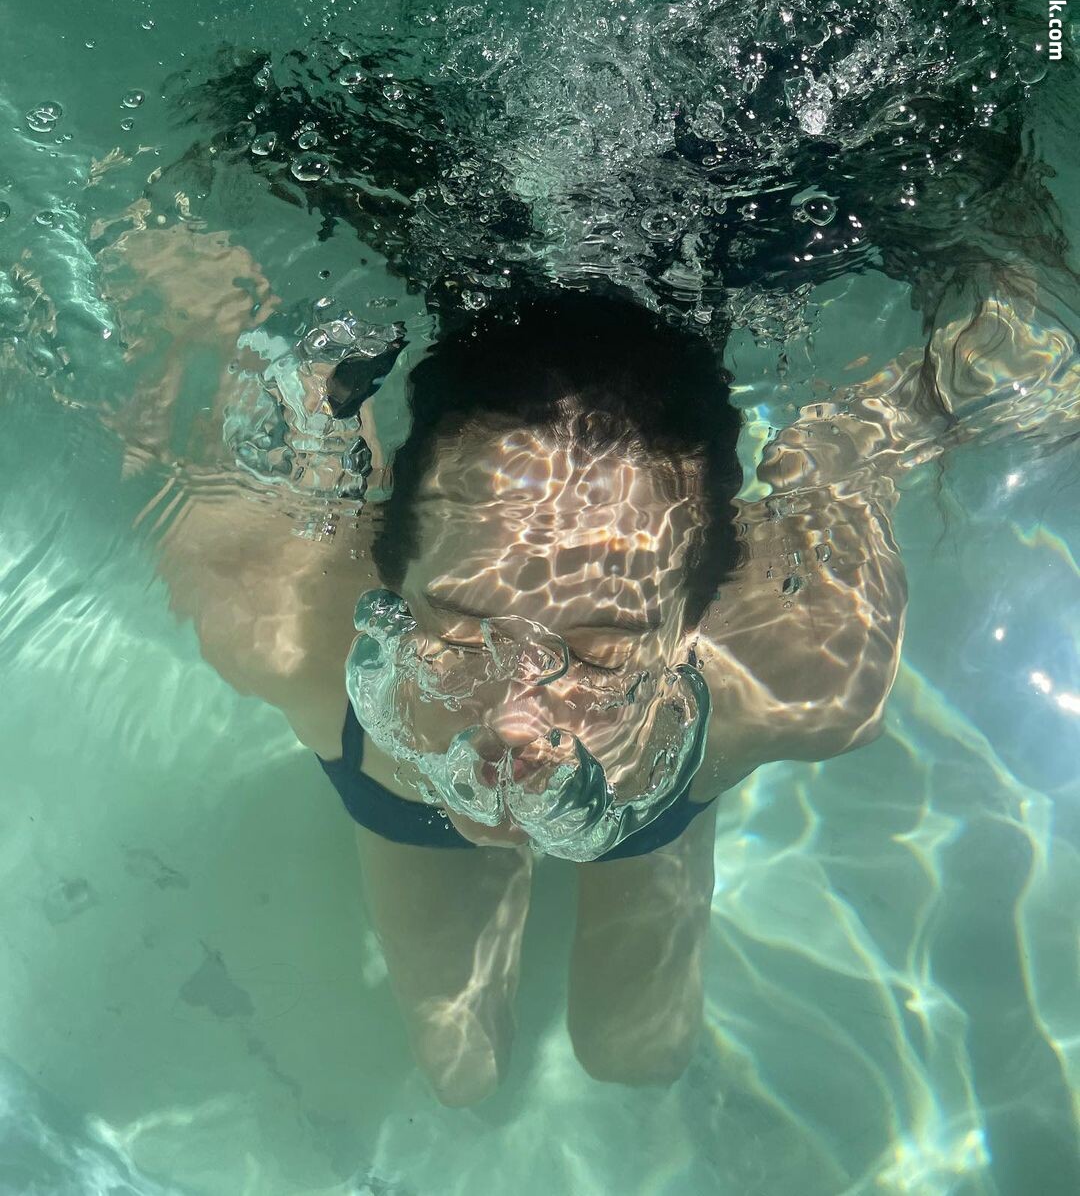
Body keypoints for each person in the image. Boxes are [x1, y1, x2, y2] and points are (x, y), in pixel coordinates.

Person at [100, 207, 1077, 1106]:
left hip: (658, 785)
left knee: (638, 1053)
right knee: (461, 1071)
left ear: (697, 628)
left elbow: (866, 441)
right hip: (400, 778)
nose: (513, 722)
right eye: (459, 624)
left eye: (603, 655)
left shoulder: (805, 673)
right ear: (384, 566)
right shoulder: (279, 623)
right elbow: (194, 295)